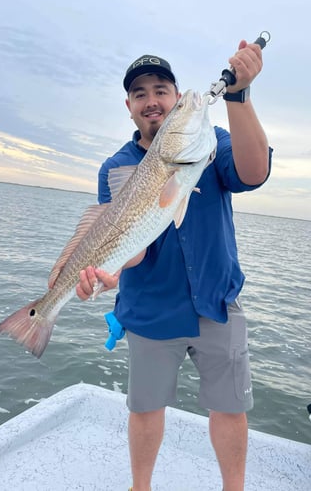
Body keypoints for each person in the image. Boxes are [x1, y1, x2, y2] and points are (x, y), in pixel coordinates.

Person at [76, 40, 272, 491]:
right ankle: (139, 487)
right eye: (140, 93)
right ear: (129, 107)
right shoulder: (118, 166)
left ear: (176, 94)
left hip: (217, 302)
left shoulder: (211, 144)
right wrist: (107, 272)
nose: (153, 101)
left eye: (163, 90)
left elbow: (252, 172)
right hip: (150, 310)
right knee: (145, 408)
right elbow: (133, 247)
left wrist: (240, 95)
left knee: (229, 407)